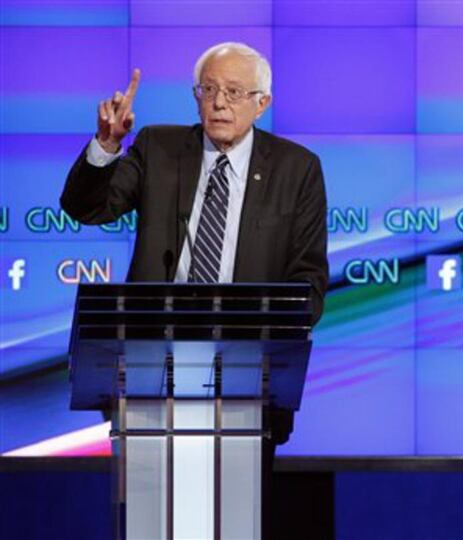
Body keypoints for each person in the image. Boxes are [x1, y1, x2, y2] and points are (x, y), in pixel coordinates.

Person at [60, 43, 328, 523]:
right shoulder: (158, 149)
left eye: (233, 92)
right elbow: (87, 208)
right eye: (208, 90)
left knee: (232, 523)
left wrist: (260, 330)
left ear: (260, 103)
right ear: (195, 97)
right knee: (151, 522)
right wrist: (106, 147)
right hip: (149, 377)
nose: (219, 102)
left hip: (246, 387)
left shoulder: (297, 168)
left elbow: (308, 284)